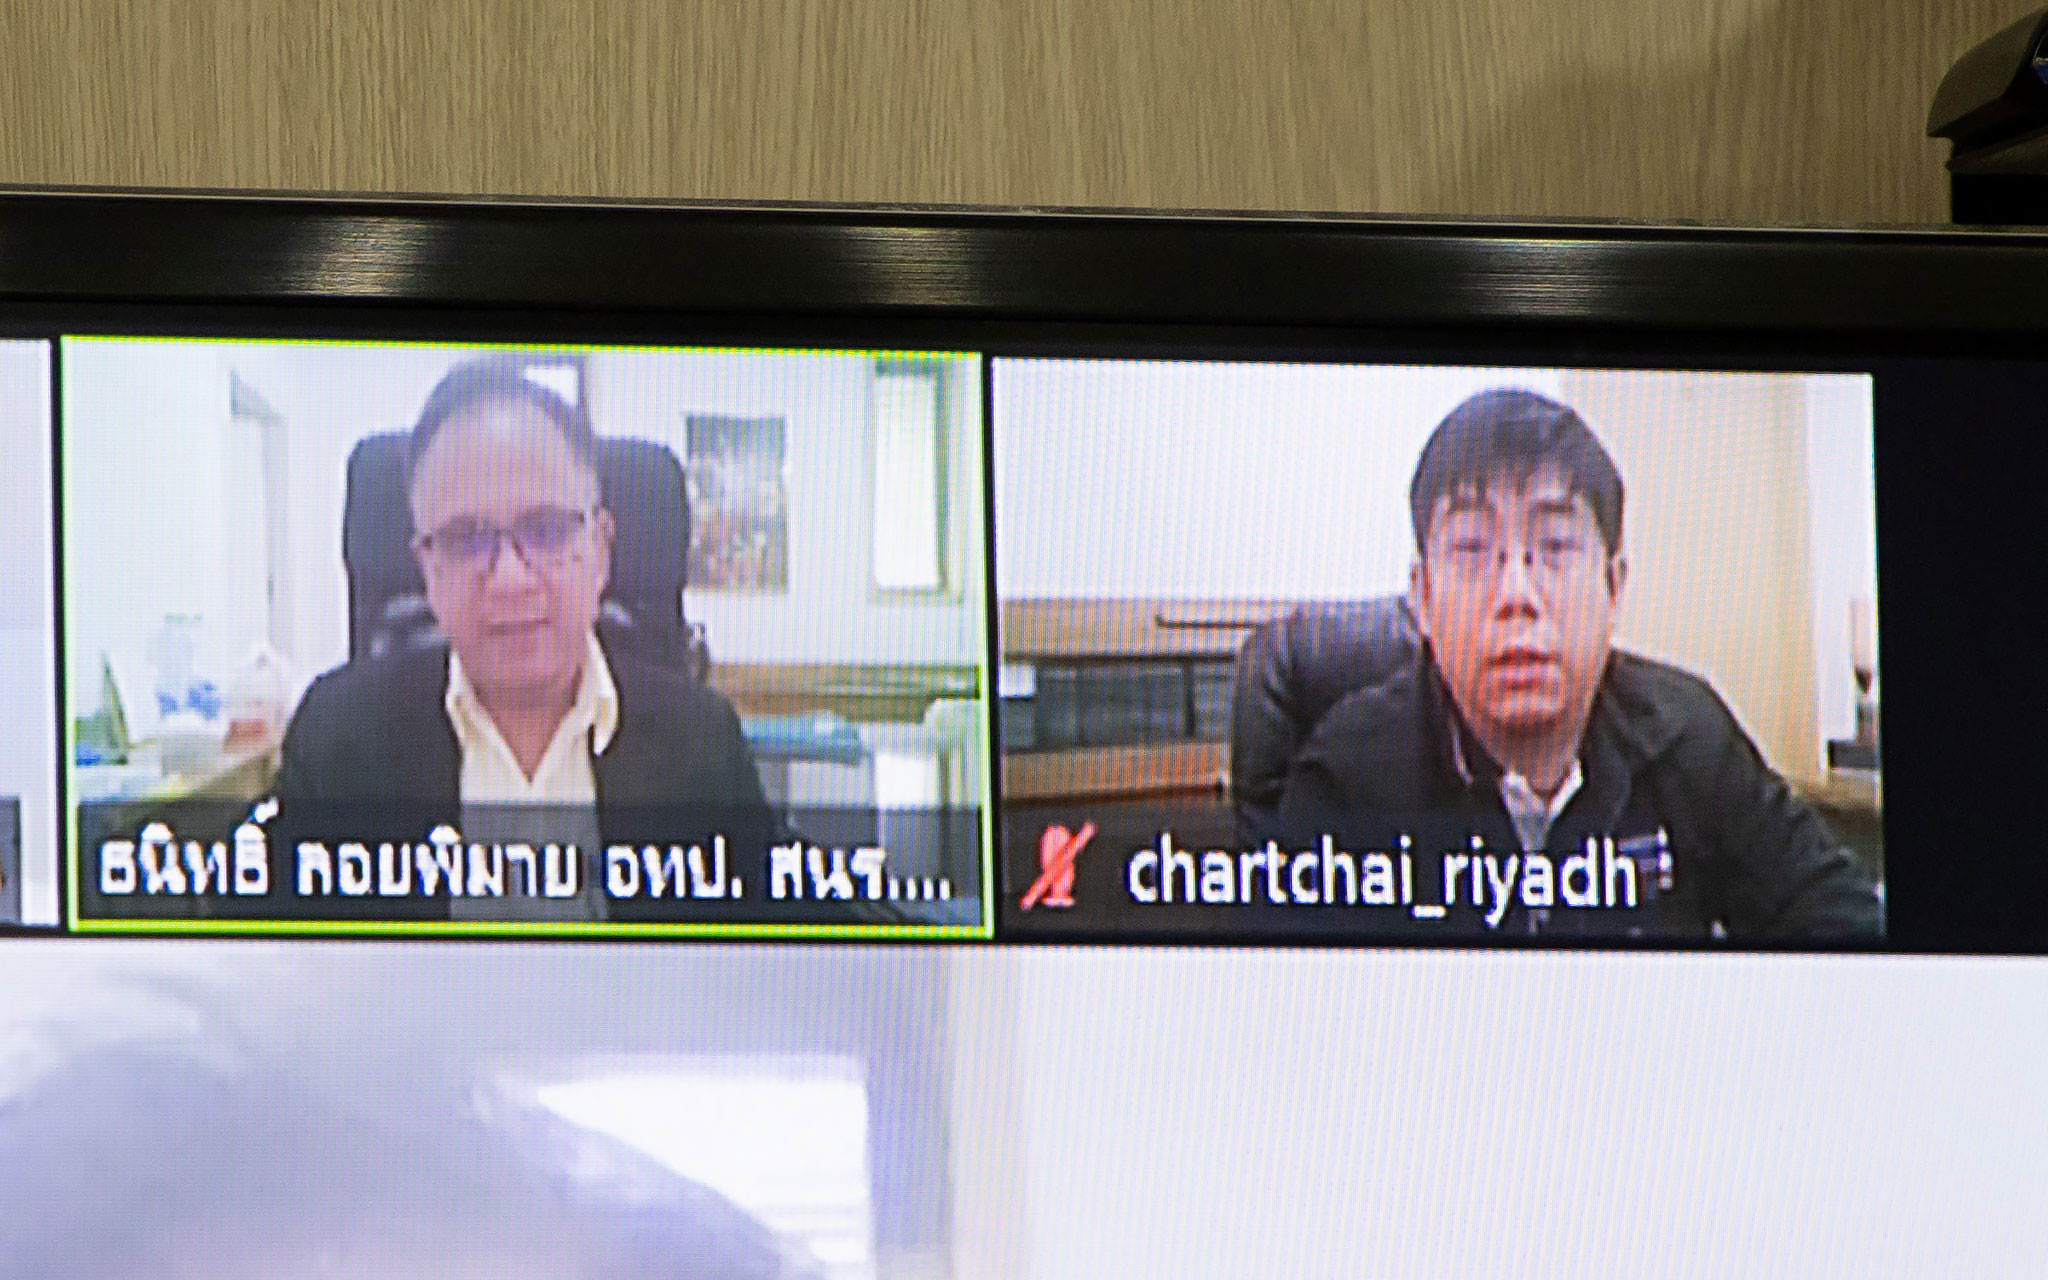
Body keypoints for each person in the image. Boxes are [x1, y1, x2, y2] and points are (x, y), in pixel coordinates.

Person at [1274, 388, 1882, 939]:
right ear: (1423, 599)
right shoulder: (1345, 776)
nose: (1516, 594)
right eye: (1472, 548)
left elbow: (1837, 920)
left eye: (1557, 547)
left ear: (1613, 588)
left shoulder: (1689, 735)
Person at [276, 356, 773, 915]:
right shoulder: (336, 739)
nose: (510, 579)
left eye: (547, 529)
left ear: (601, 550)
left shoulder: (703, 740)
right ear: (427, 570)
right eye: (464, 538)